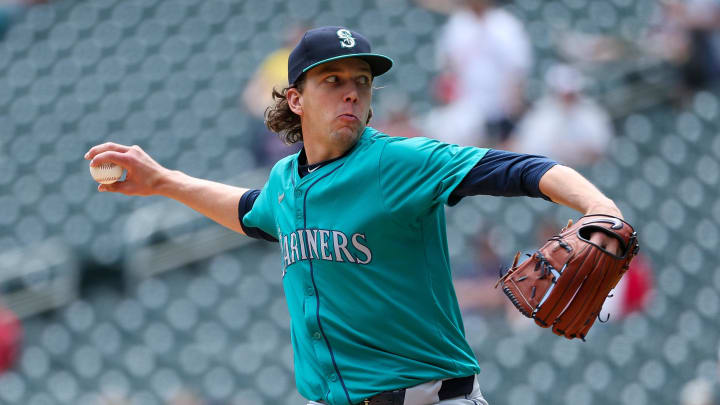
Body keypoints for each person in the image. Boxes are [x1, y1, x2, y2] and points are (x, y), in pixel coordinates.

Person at [85, 26, 624, 405]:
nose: (351, 92)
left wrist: (599, 208)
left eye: (361, 82)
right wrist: (163, 182)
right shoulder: (285, 184)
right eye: (333, 80)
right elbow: (251, 211)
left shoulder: (400, 161)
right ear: (296, 100)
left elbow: (521, 168)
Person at [510, 64, 614, 168]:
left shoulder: (591, 114)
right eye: (563, 94)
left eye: (570, 94)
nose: (567, 98)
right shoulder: (540, 116)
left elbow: (600, 149)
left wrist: (570, 151)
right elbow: (528, 150)